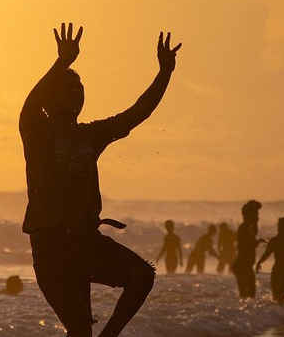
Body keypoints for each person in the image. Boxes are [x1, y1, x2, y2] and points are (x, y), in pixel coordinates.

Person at [19, 24, 176, 337]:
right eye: (69, 90)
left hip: (85, 243)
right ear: (51, 99)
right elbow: (30, 102)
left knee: (142, 276)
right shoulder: (36, 132)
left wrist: (165, 73)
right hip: (51, 249)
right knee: (79, 331)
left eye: (80, 90)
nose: (77, 95)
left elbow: (137, 113)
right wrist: (61, 62)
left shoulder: (91, 135)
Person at [235, 201, 263, 298]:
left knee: (247, 296)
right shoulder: (247, 227)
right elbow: (246, 245)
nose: (258, 217)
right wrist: (257, 242)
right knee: (249, 296)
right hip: (243, 266)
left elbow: (247, 244)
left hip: (243, 266)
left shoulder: (246, 227)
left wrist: (257, 242)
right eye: (256, 214)